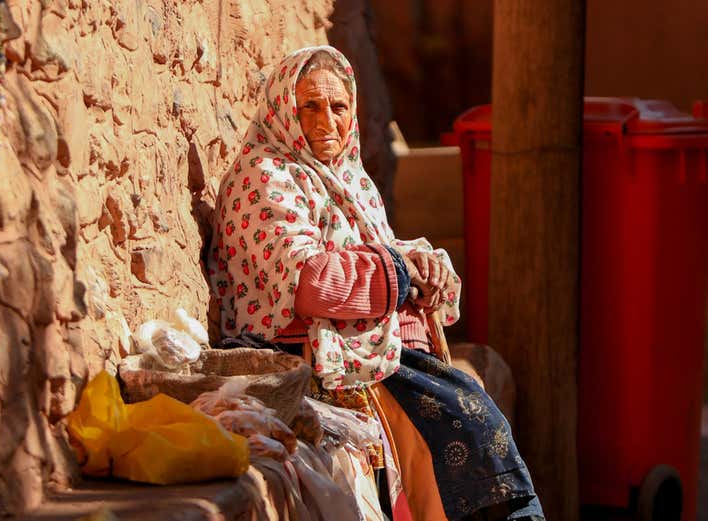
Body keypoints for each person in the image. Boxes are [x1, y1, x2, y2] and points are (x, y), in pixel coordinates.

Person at [208, 46, 544, 521]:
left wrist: (423, 267)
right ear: (284, 108)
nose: (327, 120)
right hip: (305, 348)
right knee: (462, 422)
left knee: (473, 417)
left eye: (339, 107)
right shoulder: (266, 176)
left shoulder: (348, 177)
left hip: (368, 344)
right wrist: (399, 269)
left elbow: (377, 251)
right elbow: (312, 282)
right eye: (310, 106)